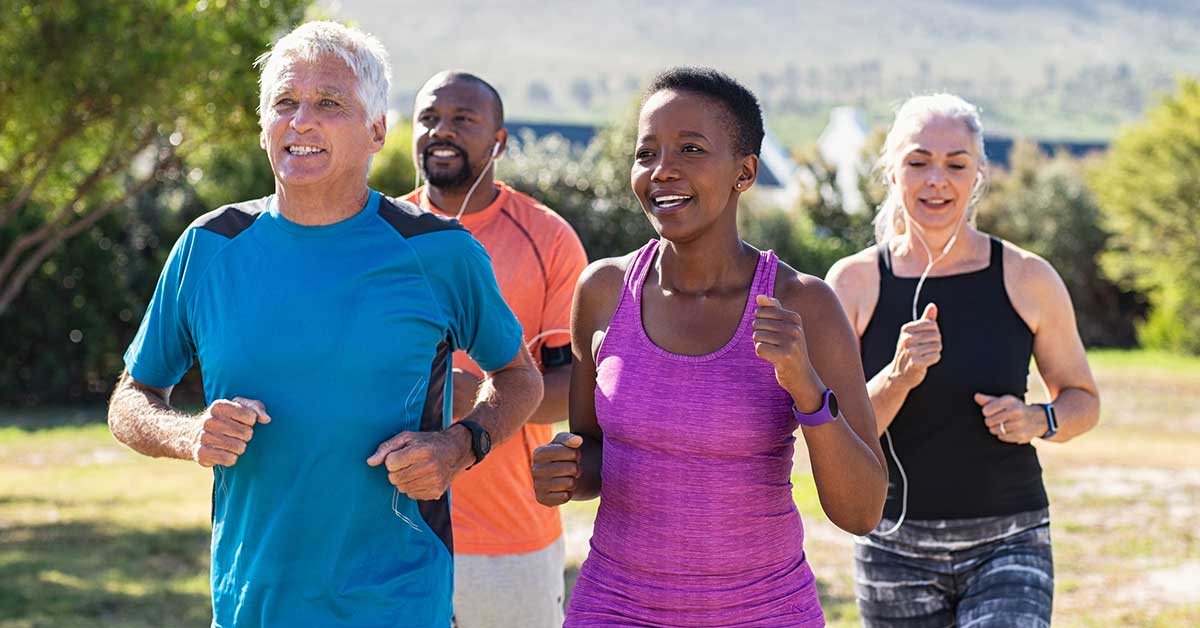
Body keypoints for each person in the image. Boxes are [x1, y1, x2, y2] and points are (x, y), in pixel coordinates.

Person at [106, 22, 543, 627]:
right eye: (284, 102)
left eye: (329, 104)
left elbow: (520, 378)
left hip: (398, 605)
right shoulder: (209, 247)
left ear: (377, 130)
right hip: (249, 606)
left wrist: (460, 445)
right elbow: (130, 399)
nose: (301, 121)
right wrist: (189, 435)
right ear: (263, 126)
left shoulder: (440, 252)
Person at [531, 66, 888, 627]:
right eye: (646, 153)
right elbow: (594, 451)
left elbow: (862, 511)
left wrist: (806, 387)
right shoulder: (602, 292)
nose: (661, 170)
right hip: (616, 608)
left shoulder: (804, 304)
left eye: (691, 149)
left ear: (745, 172)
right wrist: (568, 470)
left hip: (763, 612)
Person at [825, 93, 1101, 627]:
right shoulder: (852, 283)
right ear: (891, 171)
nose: (937, 180)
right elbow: (837, 433)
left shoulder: (1028, 276)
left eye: (956, 164)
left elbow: (1083, 401)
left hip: (1010, 539)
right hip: (892, 547)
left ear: (978, 175)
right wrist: (899, 376)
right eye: (918, 162)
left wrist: (1039, 418)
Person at [403, 70, 588, 628]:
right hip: (387, 529)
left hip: (509, 537)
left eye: (463, 120)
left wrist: (479, 399)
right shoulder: (374, 233)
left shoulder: (548, 237)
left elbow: (575, 387)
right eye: (430, 118)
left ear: (499, 141)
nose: (442, 131)